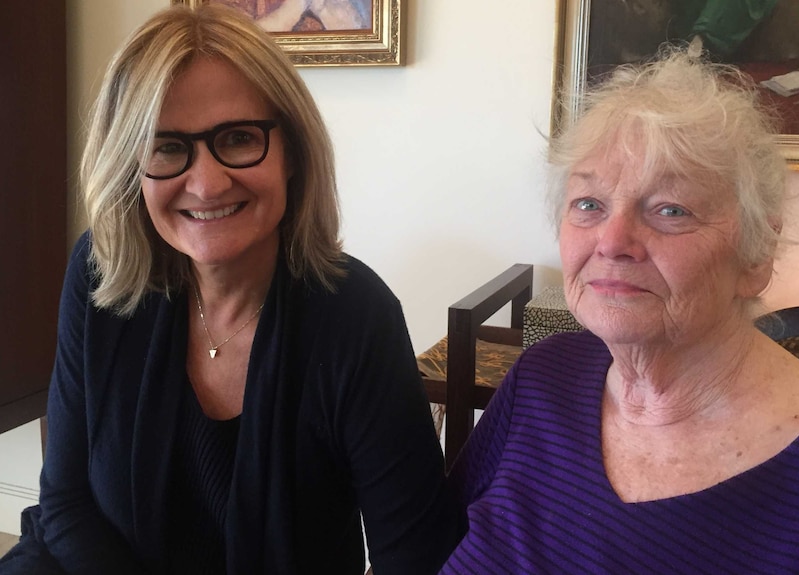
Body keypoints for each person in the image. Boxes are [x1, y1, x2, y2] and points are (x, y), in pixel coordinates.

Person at [0, 4, 459, 574]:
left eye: (239, 138)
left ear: (291, 152)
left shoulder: (357, 317)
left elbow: (414, 557)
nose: (208, 183)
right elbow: (65, 504)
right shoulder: (101, 270)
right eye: (167, 146)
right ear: (129, 167)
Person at [440, 50, 799, 574]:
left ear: (756, 256)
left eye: (671, 209)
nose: (612, 242)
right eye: (589, 204)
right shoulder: (543, 378)